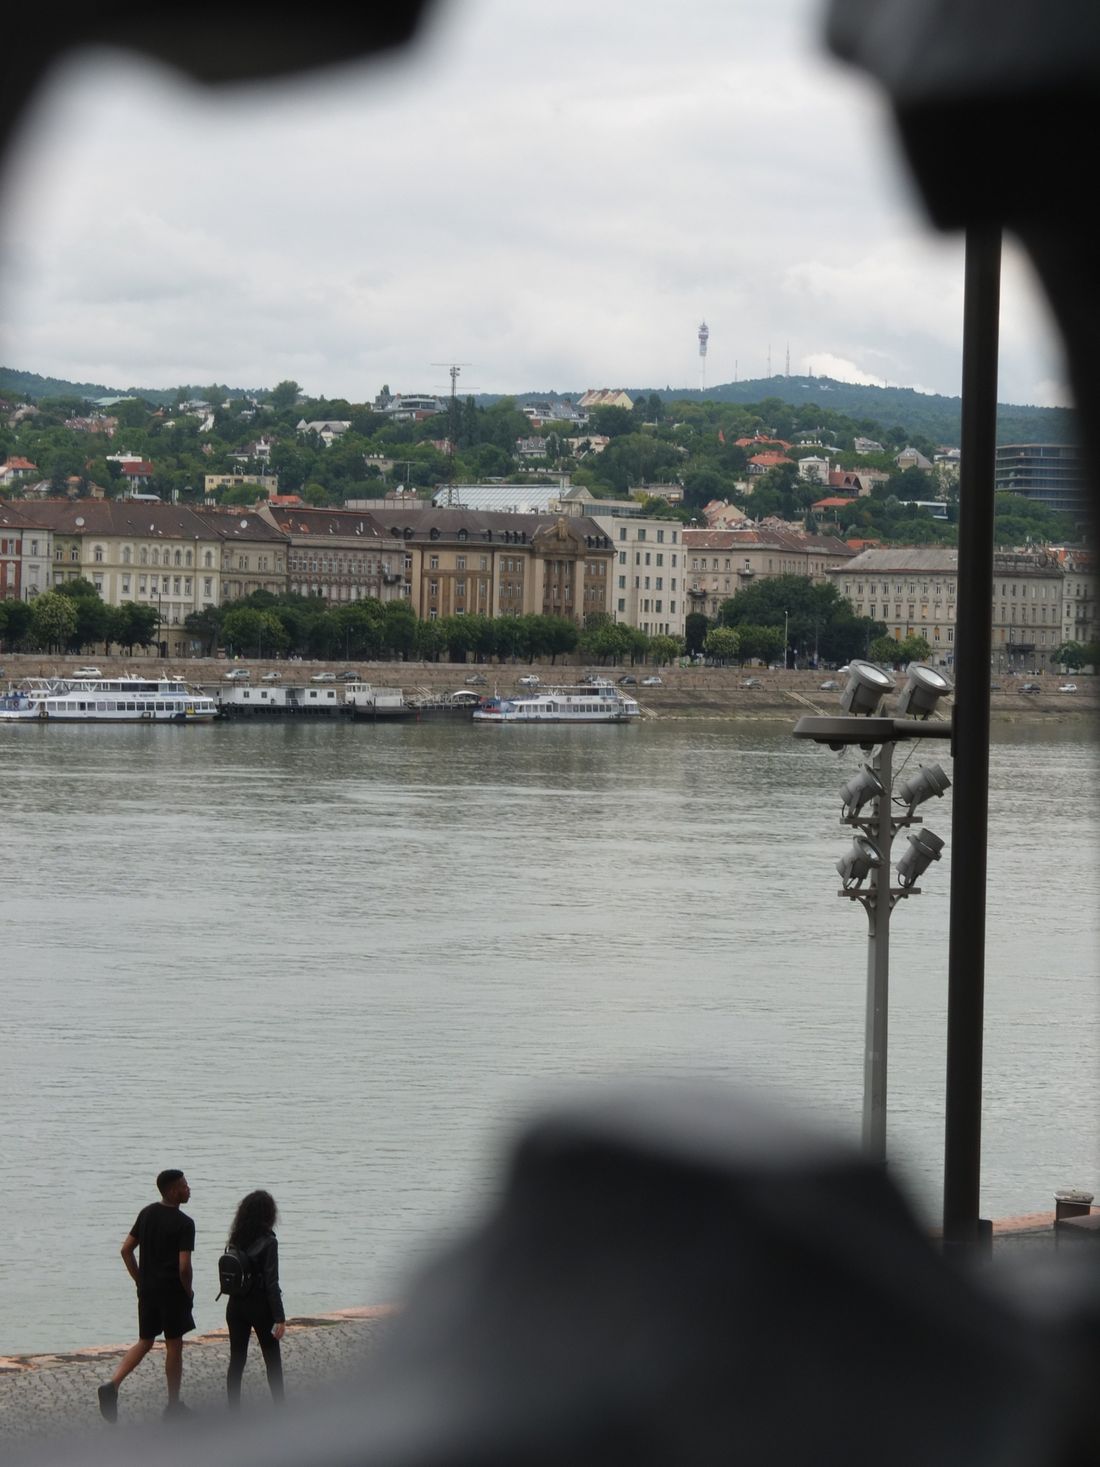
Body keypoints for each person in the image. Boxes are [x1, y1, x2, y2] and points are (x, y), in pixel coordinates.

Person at [97, 1168, 196, 1423]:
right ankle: (173, 1405)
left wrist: (140, 1280)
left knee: (145, 1341)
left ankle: (113, 1384)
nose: (189, 1189)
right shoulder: (185, 1224)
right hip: (172, 1293)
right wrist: (188, 1291)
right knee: (174, 1345)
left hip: (148, 1291)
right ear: (173, 1191)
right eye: (185, 1186)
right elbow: (184, 1266)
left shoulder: (147, 1213)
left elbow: (126, 1250)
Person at [224, 1190, 286, 1407]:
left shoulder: (235, 1238)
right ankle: (280, 1406)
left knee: (237, 1359)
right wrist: (279, 1317)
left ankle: (233, 1409)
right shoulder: (269, 1242)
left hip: (235, 1305)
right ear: (269, 1213)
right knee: (272, 1359)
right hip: (260, 1307)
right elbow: (271, 1282)